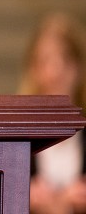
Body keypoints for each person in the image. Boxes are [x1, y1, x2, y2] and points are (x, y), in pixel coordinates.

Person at [18, 12, 86, 214]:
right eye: (46, 60)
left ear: (79, 67)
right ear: (32, 68)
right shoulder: (16, 135)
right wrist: (20, 195)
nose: (55, 71)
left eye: (65, 59)